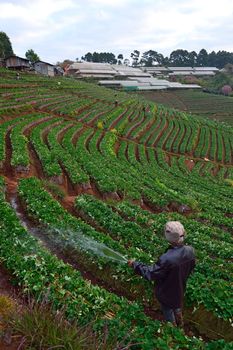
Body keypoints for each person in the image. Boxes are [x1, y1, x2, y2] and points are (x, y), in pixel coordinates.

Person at [128, 221, 195, 327]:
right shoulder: (190, 251)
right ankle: (180, 323)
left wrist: (135, 265)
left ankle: (172, 329)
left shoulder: (167, 258)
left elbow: (151, 273)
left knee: (168, 309)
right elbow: (191, 268)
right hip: (180, 287)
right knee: (177, 305)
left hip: (166, 291)